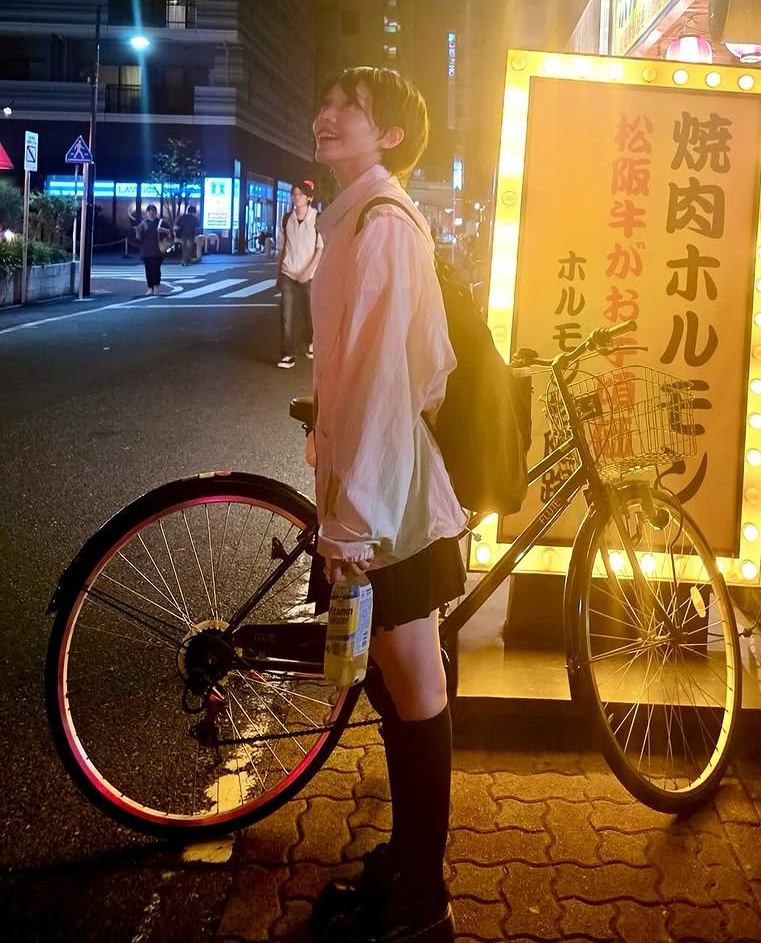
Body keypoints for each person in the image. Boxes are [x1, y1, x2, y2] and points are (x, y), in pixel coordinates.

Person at [307, 66, 463, 943]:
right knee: (398, 686)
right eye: (327, 104)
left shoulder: (383, 228)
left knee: (415, 684)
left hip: (390, 497)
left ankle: (422, 900)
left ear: (391, 135)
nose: (327, 117)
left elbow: (382, 382)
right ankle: (408, 863)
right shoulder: (357, 220)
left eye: (350, 111)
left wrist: (352, 519)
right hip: (379, 486)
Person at [276, 180, 323, 369]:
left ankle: (311, 341)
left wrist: (309, 271)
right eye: (294, 194)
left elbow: (320, 248)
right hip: (288, 272)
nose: (296, 197)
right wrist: (278, 273)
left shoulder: (317, 218)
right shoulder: (287, 218)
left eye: (301, 194)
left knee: (310, 314)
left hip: (309, 275)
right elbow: (282, 248)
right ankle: (287, 354)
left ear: (309, 198)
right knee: (286, 315)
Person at [136, 204, 164, 295]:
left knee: (156, 269)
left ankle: (156, 287)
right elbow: (139, 238)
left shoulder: (161, 222)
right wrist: (137, 232)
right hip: (146, 251)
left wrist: (163, 230)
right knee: (148, 270)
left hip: (158, 250)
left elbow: (170, 232)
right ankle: (150, 287)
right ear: (147, 213)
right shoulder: (143, 224)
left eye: (153, 211)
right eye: (150, 211)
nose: (151, 213)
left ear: (156, 213)